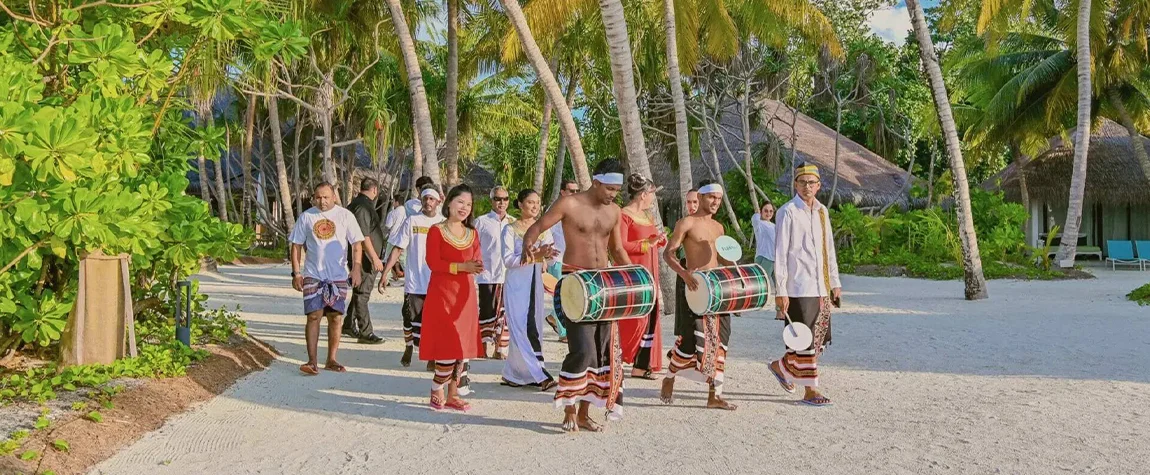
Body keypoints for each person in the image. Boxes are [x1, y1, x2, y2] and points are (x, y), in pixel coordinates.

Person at [523, 160, 632, 433]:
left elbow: (617, 250)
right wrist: (529, 245)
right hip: (576, 283)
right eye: (609, 188)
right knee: (581, 349)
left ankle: (584, 412)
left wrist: (634, 277)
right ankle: (569, 407)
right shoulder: (569, 204)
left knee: (600, 352)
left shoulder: (615, 211)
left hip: (604, 284)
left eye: (617, 190)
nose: (613, 194)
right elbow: (536, 227)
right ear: (595, 182)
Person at [659, 179, 738, 410]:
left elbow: (721, 258)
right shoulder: (687, 223)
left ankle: (715, 394)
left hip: (717, 289)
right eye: (711, 197)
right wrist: (684, 274)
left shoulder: (719, 228)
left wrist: (731, 262)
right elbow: (668, 254)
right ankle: (670, 376)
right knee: (690, 340)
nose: (715, 202)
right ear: (701, 197)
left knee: (721, 340)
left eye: (719, 199)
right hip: (695, 287)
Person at [768, 163, 841, 407]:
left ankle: (781, 366)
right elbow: (780, 253)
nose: (807, 187)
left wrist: (835, 283)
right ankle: (811, 390)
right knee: (804, 338)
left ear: (819, 186)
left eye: (812, 183)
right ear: (795, 185)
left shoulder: (822, 212)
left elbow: (828, 249)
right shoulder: (787, 212)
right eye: (803, 182)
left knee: (817, 338)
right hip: (798, 286)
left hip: (821, 285)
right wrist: (781, 290)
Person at [289, 183, 365, 375]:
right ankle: (312, 361)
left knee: (335, 318)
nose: (322, 201)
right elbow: (296, 245)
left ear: (334, 197)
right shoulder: (307, 217)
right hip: (313, 275)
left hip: (338, 276)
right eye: (318, 197)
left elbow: (357, 244)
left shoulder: (345, 216)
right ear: (314, 198)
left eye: (326, 197)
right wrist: (297, 273)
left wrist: (356, 268)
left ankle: (331, 359)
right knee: (313, 316)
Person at [419, 184, 484, 411]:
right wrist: (462, 266)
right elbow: (433, 262)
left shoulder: (473, 233)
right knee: (447, 343)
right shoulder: (437, 230)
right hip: (443, 294)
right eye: (460, 202)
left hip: (466, 295)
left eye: (468, 204)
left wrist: (476, 266)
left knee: (461, 346)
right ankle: (437, 385)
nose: (464, 207)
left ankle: (453, 393)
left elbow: (476, 259)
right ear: (449, 203)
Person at [500, 189, 559, 390]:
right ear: (519, 204)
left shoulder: (543, 229)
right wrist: (536, 255)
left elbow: (551, 260)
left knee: (532, 326)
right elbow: (508, 260)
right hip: (517, 285)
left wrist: (548, 254)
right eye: (530, 202)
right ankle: (540, 375)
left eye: (537, 202)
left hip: (535, 283)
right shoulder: (509, 230)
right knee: (520, 328)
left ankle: (514, 374)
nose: (534, 206)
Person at [380, 185, 444, 367]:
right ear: (421, 201)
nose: (428, 202)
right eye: (425, 199)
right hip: (415, 282)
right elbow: (398, 248)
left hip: (436, 282)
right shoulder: (412, 221)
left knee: (434, 321)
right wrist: (385, 273)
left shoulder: (444, 223)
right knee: (409, 318)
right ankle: (409, 346)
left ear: (438, 201)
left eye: (432, 199)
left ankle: (431, 356)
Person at [617, 174, 666, 379]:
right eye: (652, 194)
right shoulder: (623, 215)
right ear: (643, 194)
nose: (653, 199)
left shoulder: (648, 216)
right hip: (634, 271)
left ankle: (642, 364)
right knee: (636, 318)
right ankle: (629, 356)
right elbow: (620, 246)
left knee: (651, 316)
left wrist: (658, 241)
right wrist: (647, 244)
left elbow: (651, 240)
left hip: (650, 270)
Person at [342, 179, 387, 344]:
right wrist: (374, 258)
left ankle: (348, 324)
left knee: (359, 290)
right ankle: (365, 332)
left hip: (364, 256)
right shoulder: (362, 206)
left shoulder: (359, 204)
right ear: (374, 189)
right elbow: (363, 236)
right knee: (363, 294)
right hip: (365, 257)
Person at [473, 186, 515, 359]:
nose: (501, 202)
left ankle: (500, 348)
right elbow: (474, 246)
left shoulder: (513, 222)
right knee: (487, 311)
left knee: (505, 313)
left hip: (508, 275)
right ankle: (484, 345)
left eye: (505, 199)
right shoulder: (481, 222)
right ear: (492, 200)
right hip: (487, 275)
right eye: (498, 199)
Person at [543, 179, 580, 342]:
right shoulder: (555, 209)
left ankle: (552, 317)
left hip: (572, 259)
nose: (575, 193)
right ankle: (564, 332)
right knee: (560, 296)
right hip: (557, 259)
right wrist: (547, 251)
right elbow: (545, 230)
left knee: (571, 295)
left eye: (577, 190)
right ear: (562, 192)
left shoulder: (577, 209)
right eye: (571, 190)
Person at [382, 193, 407, 285]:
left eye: (393, 201)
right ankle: (409, 279)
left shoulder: (393, 213)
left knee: (387, 259)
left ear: (396, 202)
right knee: (404, 261)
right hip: (403, 239)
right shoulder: (406, 212)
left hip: (393, 239)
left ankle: (386, 279)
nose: (392, 203)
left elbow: (388, 225)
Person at [751, 200, 777, 287]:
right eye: (766, 211)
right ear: (761, 211)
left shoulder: (774, 226)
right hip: (764, 257)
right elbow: (755, 218)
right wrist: (758, 212)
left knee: (778, 286)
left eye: (771, 211)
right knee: (761, 284)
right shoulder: (759, 224)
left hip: (774, 258)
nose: (768, 213)